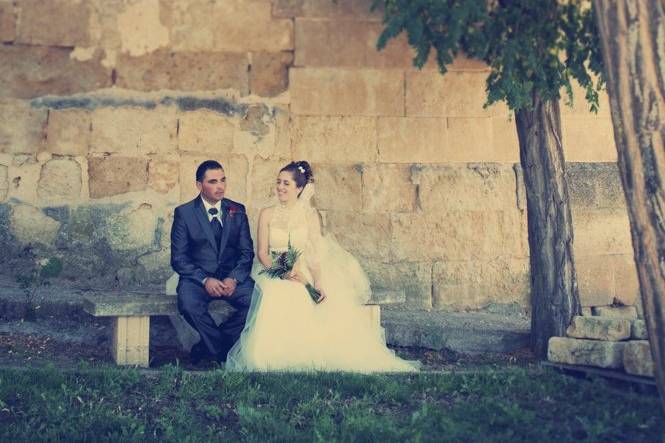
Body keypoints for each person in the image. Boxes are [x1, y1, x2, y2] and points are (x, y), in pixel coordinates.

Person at [225, 161, 418, 372]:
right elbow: (262, 253)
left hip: (302, 271)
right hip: (274, 269)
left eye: (286, 183)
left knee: (303, 294)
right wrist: (282, 273)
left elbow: (314, 255)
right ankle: (271, 355)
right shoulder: (267, 214)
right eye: (278, 182)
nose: (280, 187)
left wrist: (317, 282)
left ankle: (303, 352)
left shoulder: (309, 216)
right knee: (276, 293)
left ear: (299, 188)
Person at [170, 160, 255, 363]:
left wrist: (234, 278)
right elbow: (179, 258)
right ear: (199, 185)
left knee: (257, 302)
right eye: (213, 181)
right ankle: (220, 349)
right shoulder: (185, 213)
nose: (220, 186)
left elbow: (246, 252)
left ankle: (211, 347)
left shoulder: (237, 210)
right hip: (197, 279)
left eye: (223, 180)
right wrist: (204, 280)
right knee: (188, 303)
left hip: (231, 280)